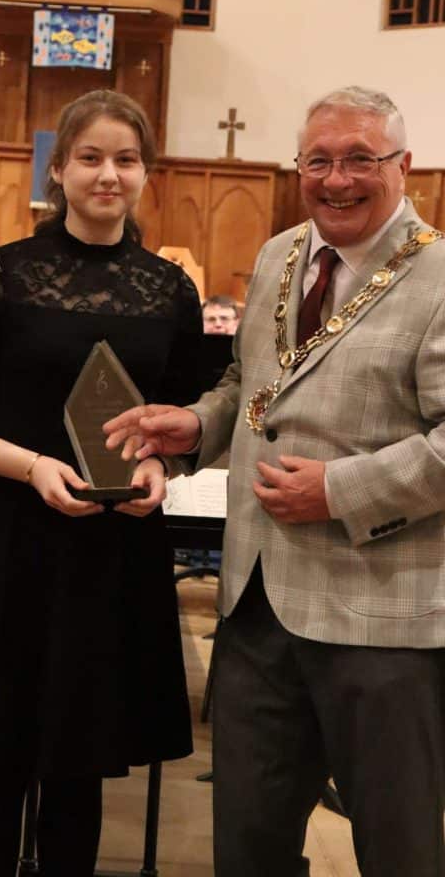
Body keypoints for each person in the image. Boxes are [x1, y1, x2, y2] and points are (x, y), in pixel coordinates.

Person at [105, 85, 445, 877]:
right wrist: (198, 426)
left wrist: (340, 491)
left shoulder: (438, 276)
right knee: (248, 850)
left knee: (400, 854)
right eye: (318, 161)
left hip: (383, 625)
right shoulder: (279, 254)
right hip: (257, 609)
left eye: (361, 159)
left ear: (405, 167)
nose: (337, 180)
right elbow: (249, 382)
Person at [0, 89, 203, 877]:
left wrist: (158, 465)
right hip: (9, 532)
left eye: (126, 159)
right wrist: (32, 463)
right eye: (91, 157)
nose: (109, 174)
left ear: (146, 173)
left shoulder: (169, 289)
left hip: (111, 547)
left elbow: (185, 421)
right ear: (59, 170)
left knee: (83, 761)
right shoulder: (4, 272)